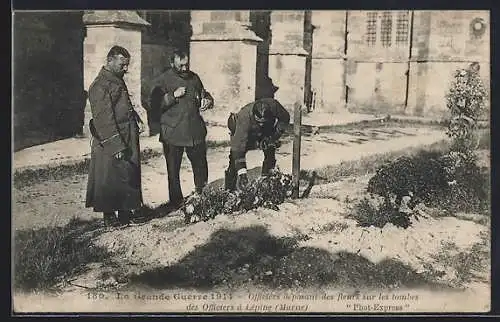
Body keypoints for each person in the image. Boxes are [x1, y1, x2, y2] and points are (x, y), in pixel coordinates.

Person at [85, 45, 144, 227]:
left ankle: (125, 214)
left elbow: (124, 105)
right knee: (109, 178)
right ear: (109, 61)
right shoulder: (100, 85)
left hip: (127, 134)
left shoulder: (116, 80)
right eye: (122, 64)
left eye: (127, 65)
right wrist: (115, 145)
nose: (126, 69)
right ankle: (109, 218)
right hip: (110, 140)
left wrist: (136, 118)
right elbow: (104, 119)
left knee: (126, 174)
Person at [148, 49, 214, 208]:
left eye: (186, 65)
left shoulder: (194, 77)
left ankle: (202, 194)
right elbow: (153, 105)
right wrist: (172, 96)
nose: (185, 69)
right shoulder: (162, 80)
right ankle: (176, 202)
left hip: (194, 130)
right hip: (173, 132)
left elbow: (204, 93)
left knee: (200, 165)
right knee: (173, 169)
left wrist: (208, 100)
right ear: (172, 64)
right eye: (180, 66)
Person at [224, 79, 290, 191]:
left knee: (270, 152)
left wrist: (274, 136)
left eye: (263, 121)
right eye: (259, 121)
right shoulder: (243, 119)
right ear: (254, 116)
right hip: (249, 134)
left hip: (267, 132)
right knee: (234, 161)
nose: (261, 123)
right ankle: (229, 190)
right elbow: (238, 150)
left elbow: (285, 118)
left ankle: (267, 182)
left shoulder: (274, 106)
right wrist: (242, 173)